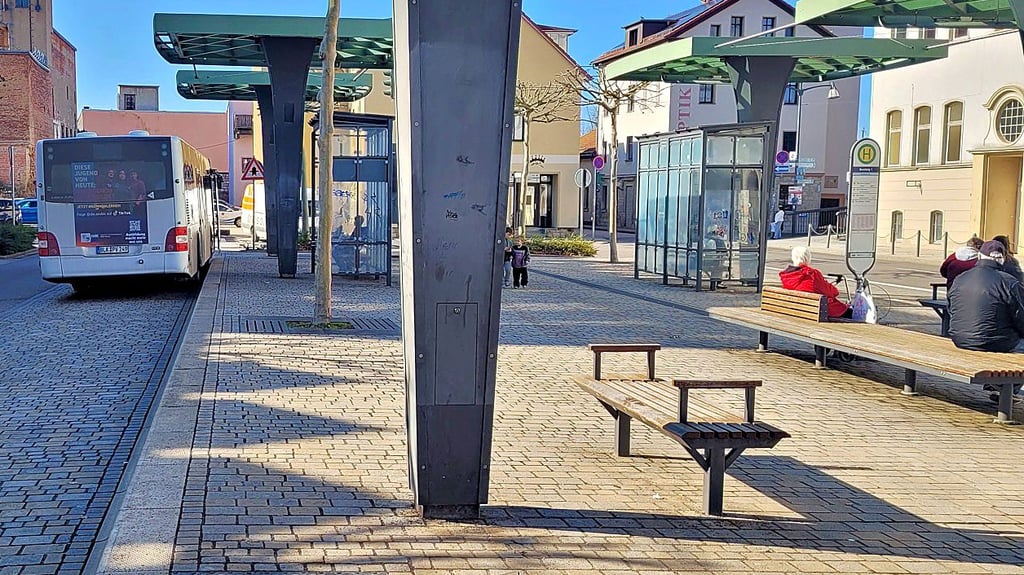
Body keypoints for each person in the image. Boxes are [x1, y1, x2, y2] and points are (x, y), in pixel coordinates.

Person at [948, 240, 1024, 353]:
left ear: (979, 256)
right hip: (998, 342)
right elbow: (1021, 317)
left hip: (960, 339)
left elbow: (951, 309)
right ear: (1003, 259)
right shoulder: (1009, 282)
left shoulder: (960, 278)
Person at [779, 246, 851, 319]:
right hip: (820, 312)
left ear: (793, 258)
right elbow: (832, 292)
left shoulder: (786, 276)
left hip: (799, 310)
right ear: (808, 258)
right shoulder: (811, 274)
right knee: (851, 313)